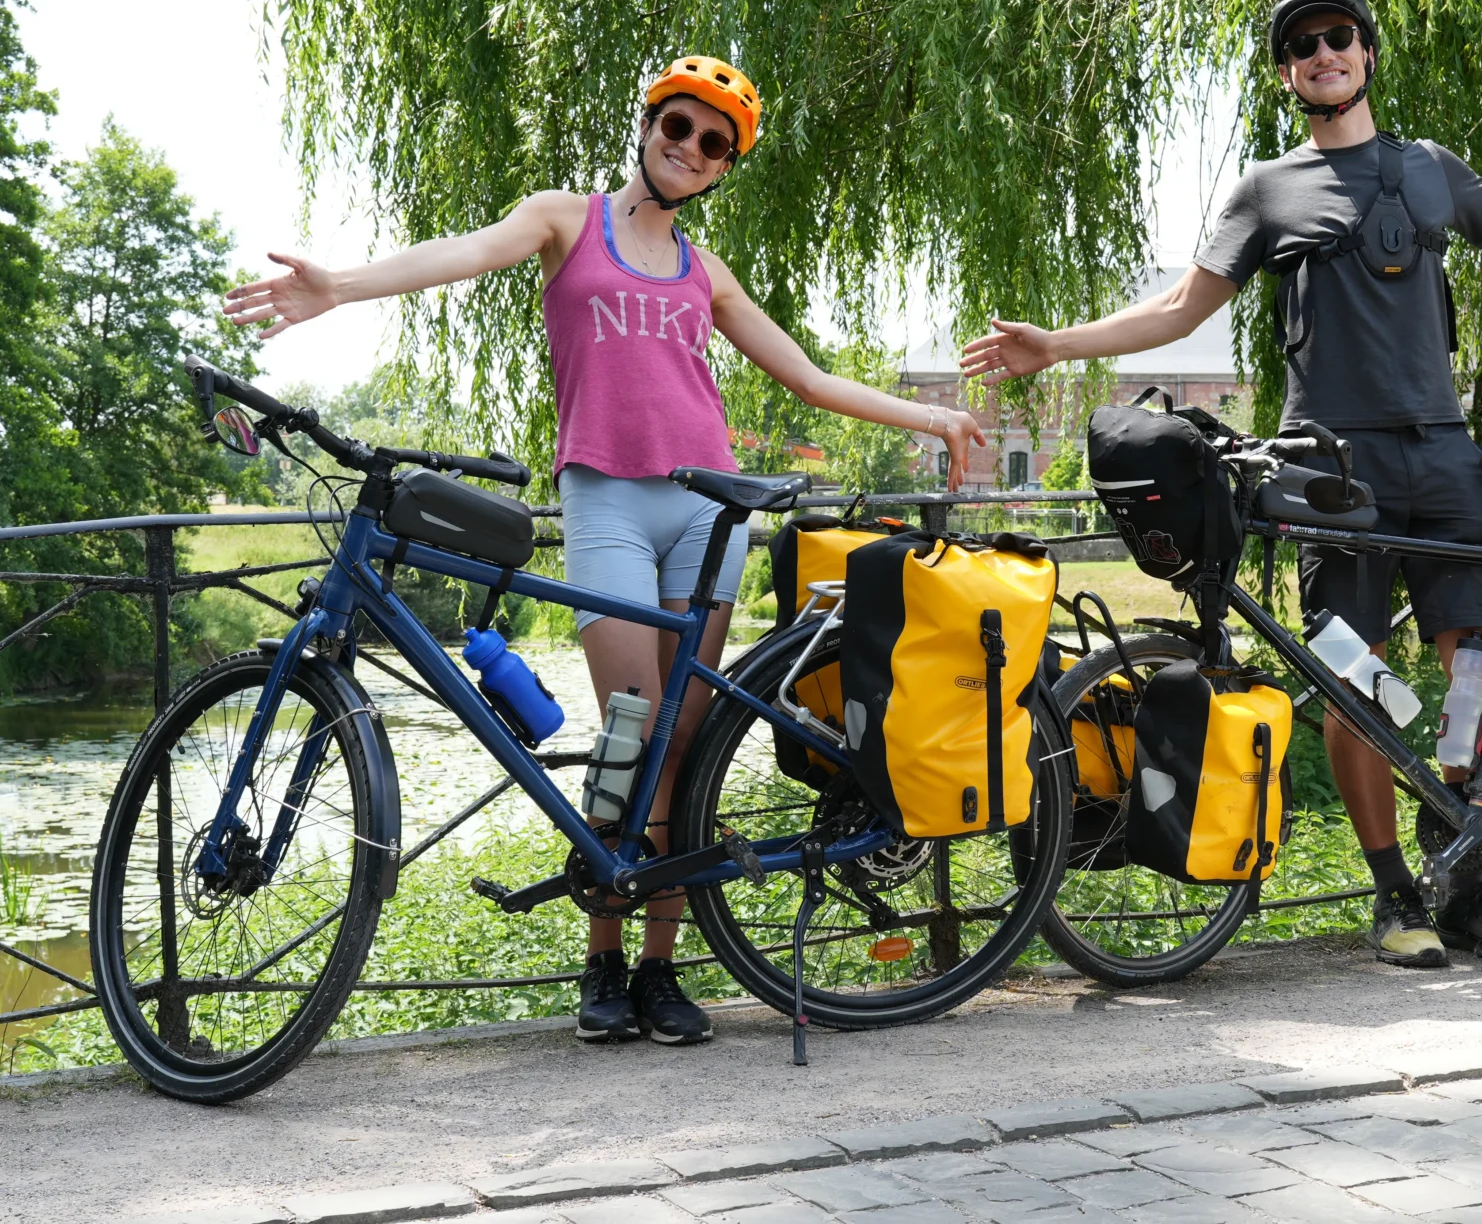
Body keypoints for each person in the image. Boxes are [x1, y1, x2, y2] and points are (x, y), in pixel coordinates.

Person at [960, 0, 1482, 969]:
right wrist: (1054, 345)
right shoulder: (1267, 190)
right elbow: (1182, 308)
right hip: (1325, 459)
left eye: (1338, 38)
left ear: (1367, 54)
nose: (1322, 54)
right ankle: (1394, 888)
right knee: (1351, 674)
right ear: (1287, 74)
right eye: (1301, 46)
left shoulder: (1430, 170)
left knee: (1474, 654)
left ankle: (1461, 868)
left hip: (1440, 449)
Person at [223, 56, 986, 1042]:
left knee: (684, 742)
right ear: (649, 121)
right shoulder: (564, 220)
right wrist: (340, 286)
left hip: (710, 512)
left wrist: (931, 424)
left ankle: (663, 972)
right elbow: (459, 253)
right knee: (630, 730)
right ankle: (601, 963)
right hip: (606, 502)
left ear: (721, 169)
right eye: (680, 125)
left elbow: (805, 377)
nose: (691, 149)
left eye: (715, 145)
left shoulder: (705, 271)